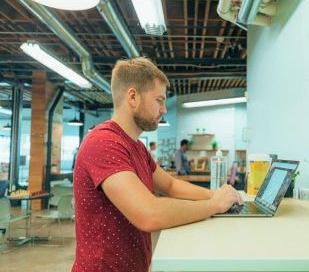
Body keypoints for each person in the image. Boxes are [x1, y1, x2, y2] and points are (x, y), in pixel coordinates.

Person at [72, 57, 243, 272]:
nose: (163, 110)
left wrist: (218, 195)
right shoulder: (103, 143)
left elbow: (170, 185)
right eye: (159, 100)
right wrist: (213, 205)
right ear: (133, 97)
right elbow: (149, 213)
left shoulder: (136, 147)